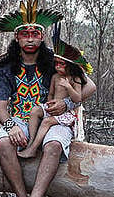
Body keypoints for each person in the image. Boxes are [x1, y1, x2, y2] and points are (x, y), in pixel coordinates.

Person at [0, 0, 96, 197]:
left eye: (35, 34)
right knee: (3, 142)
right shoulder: (7, 65)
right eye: (25, 34)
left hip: (53, 118)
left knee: (54, 144)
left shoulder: (56, 60)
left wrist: (66, 103)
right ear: (17, 38)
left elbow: (89, 85)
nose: (30, 39)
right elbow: (0, 108)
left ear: (42, 37)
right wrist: (10, 126)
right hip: (20, 118)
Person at [18, 23, 92, 159]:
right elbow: (51, 94)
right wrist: (48, 105)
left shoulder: (74, 78)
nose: (57, 67)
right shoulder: (55, 76)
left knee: (47, 123)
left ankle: (33, 149)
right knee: (34, 111)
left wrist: (67, 93)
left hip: (68, 113)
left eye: (35, 35)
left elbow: (79, 98)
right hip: (51, 108)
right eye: (56, 63)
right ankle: (31, 142)